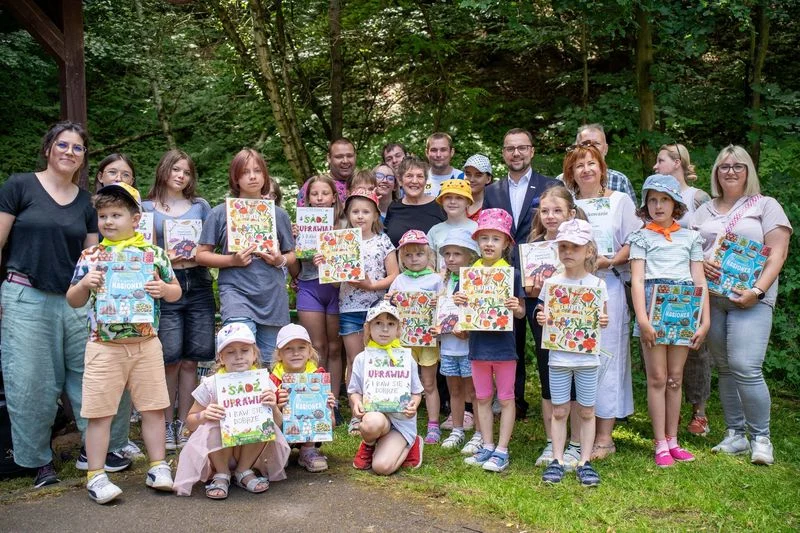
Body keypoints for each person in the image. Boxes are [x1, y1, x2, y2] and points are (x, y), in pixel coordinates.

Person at [0, 121, 129, 488]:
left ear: (84, 157)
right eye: (63, 145)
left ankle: (98, 454)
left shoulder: (87, 202)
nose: (69, 152)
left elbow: (93, 257)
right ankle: (38, 462)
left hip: (77, 300)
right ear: (48, 149)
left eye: (77, 148)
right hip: (25, 297)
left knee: (93, 376)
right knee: (32, 383)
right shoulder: (19, 186)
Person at [66, 182, 181, 504]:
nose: (109, 221)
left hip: (146, 344)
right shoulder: (91, 256)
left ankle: (158, 466)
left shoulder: (153, 255)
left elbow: (175, 291)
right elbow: (73, 300)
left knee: (154, 408)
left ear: (135, 219)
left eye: (117, 214)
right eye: (103, 216)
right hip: (104, 346)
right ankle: (96, 474)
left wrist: (162, 289)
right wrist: (85, 284)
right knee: (100, 413)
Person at [694, 145, 792, 465]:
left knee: (746, 366)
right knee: (724, 368)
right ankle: (735, 434)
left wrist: (758, 291)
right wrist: (701, 264)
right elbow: (690, 250)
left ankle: (761, 437)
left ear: (748, 171)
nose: (731, 171)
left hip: (752, 298)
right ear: (716, 173)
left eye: (738, 166)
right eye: (724, 166)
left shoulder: (765, 205)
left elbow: (777, 253)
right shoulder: (704, 210)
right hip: (715, 298)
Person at [562, 143, 641, 460]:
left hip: (607, 285)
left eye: (591, 163)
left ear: (602, 168)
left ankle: (605, 438)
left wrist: (609, 261)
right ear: (571, 173)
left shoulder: (620, 201)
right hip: (572, 291)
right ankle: (578, 436)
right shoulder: (568, 206)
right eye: (579, 165)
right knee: (575, 361)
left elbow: (634, 242)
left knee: (607, 360)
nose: (586, 169)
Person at [628, 174, 710, 467]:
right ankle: (659, 442)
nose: (658, 205)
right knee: (658, 378)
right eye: (652, 199)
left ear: (675, 204)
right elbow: (637, 281)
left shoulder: (690, 237)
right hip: (652, 306)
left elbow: (699, 281)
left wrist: (705, 321)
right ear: (645, 204)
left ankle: (673, 439)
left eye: (664, 200)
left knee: (676, 378)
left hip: (683, 305)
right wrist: (643, 320)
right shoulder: (640, 237)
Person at [483, 127, 559, 419]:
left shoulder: (549, 186)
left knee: (545, 344)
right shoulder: (492, 191)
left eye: (522, 147)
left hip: (541, 282)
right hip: (505, 280)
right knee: (508, 346)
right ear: (503, 153)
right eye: (510, 148)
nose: (516, 153)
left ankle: (551, 400)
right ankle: (512, 403)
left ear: (532, 151)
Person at [143, 150, 215, 451]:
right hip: (166, 281)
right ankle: (166, 423)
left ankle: (188, 422)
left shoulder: (200, 206)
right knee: (169, 359)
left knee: (191, 359)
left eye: (186, 171)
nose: (180, 176)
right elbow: (142, 248)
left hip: (198, 282)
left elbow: (211, 243)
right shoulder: (146, 207)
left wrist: (196, 251)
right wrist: (163, 255)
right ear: (164, 170)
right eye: (175, 169)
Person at [196, 149, 295, 360]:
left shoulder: (278, 214)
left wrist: (280, 260)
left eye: (258, 171)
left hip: (272, 296)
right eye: (245, 172)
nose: (252, 176)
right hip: (236, 292)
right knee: (239, 353)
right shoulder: (220, 213)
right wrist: (232, 260)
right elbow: (201, 255)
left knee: (269, 360)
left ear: (265, 176)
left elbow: (291, 255)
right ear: (235, 178)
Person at [315, 189, 398, 435]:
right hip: (350, 307)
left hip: (378, 308)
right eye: (355, 212)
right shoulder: (339, 241)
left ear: (375, 214)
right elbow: (333, 284)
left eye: (366, 211)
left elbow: (394, 275)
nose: (360, 216)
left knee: (378, 360)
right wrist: (325, 265)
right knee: (355, 361)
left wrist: (372, 285)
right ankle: (357, 413)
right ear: (348, 214)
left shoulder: (383, 241)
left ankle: (380, 409)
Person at [173, 323, 290, 498]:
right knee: (211, 424)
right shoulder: (211, 384)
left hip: (249, 451)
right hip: (220, 454)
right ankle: (222, 474)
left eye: (244, 351)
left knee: (264, 423)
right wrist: (204, 415)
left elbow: (278, 423)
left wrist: (273, 406)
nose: (238, 357)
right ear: (221, 357)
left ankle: (243, 471)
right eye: (230, 352)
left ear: (254, 354)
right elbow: (190, 422)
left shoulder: (263, 382)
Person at [537, 219, 607, 487]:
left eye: (574, 247)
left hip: (588, 359)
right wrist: (541, 315)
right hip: (559, 358)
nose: (568, 252)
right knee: (559, 410)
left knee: (587, 411)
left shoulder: (597, 285)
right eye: (563, 246)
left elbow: (604, 317)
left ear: (588, 250)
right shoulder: (552, 283)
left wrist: (602, 320)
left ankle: (584, 461)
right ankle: (557, 459)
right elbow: (541, 310)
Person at [456, 209, 526, 472]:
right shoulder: (469, 276)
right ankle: (486, 445)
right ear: (477, 242)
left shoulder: (512, 275)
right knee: (482, 398)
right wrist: (459, 301)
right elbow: (459, 312)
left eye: (495, 239)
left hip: (505, 349)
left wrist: (515, 307)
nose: (488, 243)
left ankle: (502, 449)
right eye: (484, 238)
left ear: (506, 243)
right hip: (478, 348)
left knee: (506, 399)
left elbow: (520, 312)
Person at [652, 143, 713, 435]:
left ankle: (699, 412)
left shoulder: (698, 197)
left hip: (689, 284)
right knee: (661, 366)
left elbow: (713, 234)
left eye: (661, 160)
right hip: (658, 291)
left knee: (695, 353)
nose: (655, 165)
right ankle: (667, 420)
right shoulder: (653, 200)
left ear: (677, 162)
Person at [525, 185, 586, 467]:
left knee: (575, 380)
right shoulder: (534, 248)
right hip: (542, 318)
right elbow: (527, 290)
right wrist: (532, 289)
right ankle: (552, 442)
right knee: (550, 378)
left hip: (574, 322)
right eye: (545, 211)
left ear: (571, 213)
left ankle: (575, 444)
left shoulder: (581, 244)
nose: (550, 216)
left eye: (557, 211)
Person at [288, 174, 344, 422]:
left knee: (335, 347)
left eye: (325, 193)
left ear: (334, 197)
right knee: (316, 346)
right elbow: (293, 265)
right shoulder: (299, 225)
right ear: (307, 198)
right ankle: (316, 400)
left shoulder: (344, 225)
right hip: (310, 286)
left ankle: (334, 403)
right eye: (314, 194)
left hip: (337, 288)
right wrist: (295, 238)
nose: (320, 198)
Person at [349, 301, 424, 474]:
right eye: (378, 323)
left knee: (381, 468)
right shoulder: (362, 359)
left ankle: (412, 444)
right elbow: (354, 391)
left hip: (401, 422)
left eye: (390, 324)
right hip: (377, 418)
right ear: (368, 328)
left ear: (398, 329)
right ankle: (369, 445)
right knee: (370, 424)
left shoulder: (406, 359)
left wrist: (413, 405)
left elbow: (416, 392)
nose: (384, 329)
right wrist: (357, 403)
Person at [386, 230, 443, 443]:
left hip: (427, 340)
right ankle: (400, 422)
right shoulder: (399, 280)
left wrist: (440, 302)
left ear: (428, 256)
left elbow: (446, 309)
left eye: (419, 254)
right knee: (403, 383)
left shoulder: (437, 280)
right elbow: (390, 309)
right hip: (403, 342)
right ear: (402, 258)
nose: (413, 259)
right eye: (408, 255)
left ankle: (433, 425)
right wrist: (390, 300)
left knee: (428, 384)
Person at [434, 230, 481, 453]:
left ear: (470, 256)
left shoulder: (476, 280)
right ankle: (458, 429)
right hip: (448, 346)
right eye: (447, 254)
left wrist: (468, 330)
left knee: (474, 392)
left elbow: (482, 312)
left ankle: (480, 433)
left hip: (469, 346)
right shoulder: (442, 281)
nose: (451, 258)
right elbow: (436, 310)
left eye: (457, 254)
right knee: (454, 390)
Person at [269, 323, 336, 473]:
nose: (296, 353)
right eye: (288, 349)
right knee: (272, 414)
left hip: (307, 430)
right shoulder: (272, 380)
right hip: (281, 429)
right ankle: (280, 449)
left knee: (326, 418)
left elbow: (328, 420)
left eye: (301, 348)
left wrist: (328, 404)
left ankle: (308, 450)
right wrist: (277, 405)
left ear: (310, 352)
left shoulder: (318, 375)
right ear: (279, 354)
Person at [557, 124, 637, 205]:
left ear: (606, 149)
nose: (591, 148)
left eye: (596, 144)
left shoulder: (620, 180)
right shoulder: (561, 181)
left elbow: (633, 215)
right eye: (585, 143)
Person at [384, 156, 446, 246]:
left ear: (425, 181)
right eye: (409, 176)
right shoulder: (393, 207)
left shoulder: (440, 205)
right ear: (400, 180)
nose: (414, 181)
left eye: (420, 176)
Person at [426, 179, 478, 269]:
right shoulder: (435, 230)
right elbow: (429, 264)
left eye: (459, 198)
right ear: (442, 201)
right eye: (448, 197)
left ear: (468, 202)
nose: (453, 202)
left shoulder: (478, 229)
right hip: (442, 281)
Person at [298, 138, 357, 206]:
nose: (345, 161)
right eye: (339, 157)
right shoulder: (313, 185)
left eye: (349, 156)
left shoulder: (366, 184)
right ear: (329, 158)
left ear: (355, 156)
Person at [424, 132, 465, 198]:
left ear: (451, 152)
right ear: (426, 153)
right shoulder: (419, 179)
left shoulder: (463, 178)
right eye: (434, 150)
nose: (438, 155)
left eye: (443, 150)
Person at [463, 154, 492, 222]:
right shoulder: (454, 201)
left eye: (478, 175)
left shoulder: (493, 206)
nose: (472, 179)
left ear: (488, 179)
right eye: (468, 174)